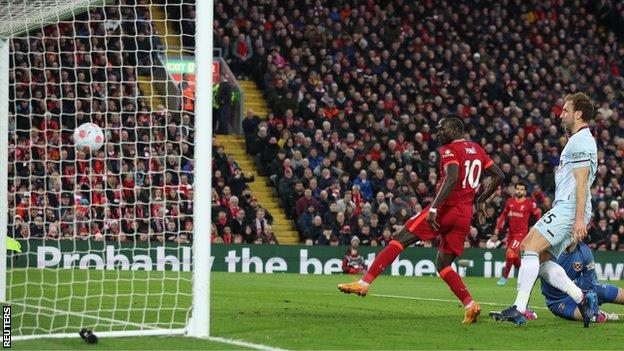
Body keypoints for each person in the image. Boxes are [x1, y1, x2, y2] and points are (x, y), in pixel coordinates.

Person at [338, 116, 504, 324]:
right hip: (464, 214)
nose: (438, 132)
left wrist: (434, 208)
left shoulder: (450, 150)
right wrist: (481, 201)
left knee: (399, 238)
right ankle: (471, 305)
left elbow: (452, 178)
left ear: (454, 131)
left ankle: (364, 282)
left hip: (445, 209)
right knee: (443, 264)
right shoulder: (477, 149)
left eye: (442, 129)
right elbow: (499, 175)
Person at [490, 92, 599, 327]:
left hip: (570, 208)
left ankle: (519, 309)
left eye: (566, 110)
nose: (562, 115)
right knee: (538, 259)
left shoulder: (580, 141)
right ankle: (582, 298)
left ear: (578, 114)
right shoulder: (582, 140)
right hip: (570, 208)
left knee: (528, 246)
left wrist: (579, 220)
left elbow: (582, 183)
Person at [540, 241, 622, 323]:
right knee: (591, 316)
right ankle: (604, 315)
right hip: (559, 301)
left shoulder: (584, 251)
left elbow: (590, 284)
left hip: (581, 288)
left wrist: (593, 306)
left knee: (606, 293)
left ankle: (597, 312)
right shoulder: (548, 250)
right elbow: (531, 274)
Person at [495, 182, 541, 285]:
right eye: (518, 189)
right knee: (514, 257)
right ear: (515, 190)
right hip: (511, 234)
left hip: (521, 234)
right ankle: (526, 274)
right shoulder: (510, 202)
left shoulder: (529, 204)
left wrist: (535, 228)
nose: (519, 191)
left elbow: (538, 215)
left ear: (525, 192)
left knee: (510, 252)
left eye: (521, 189)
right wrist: (497, 228)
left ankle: (504, 277)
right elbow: (503, 215)